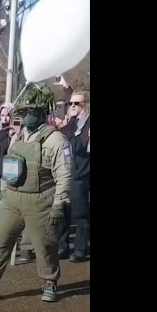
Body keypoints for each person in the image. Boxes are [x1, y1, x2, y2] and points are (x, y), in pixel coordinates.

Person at [0, 87, 72, 302]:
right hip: (13, 199)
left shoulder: (56, 140)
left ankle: (50, 281)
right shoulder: (17, 137)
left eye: (31, 111)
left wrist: (58, 203)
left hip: (41, 199)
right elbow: (10, 168)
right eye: (23, 110)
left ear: (42, 111)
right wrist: (3, 193)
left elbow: (64, 174)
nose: (26, 115)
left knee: (44, 244)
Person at [57, 92, 90, 262]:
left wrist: (74, 131)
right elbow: (61, 139)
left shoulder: (87, 124)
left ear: (85, 104)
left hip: (81, 174)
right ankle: (62, 246)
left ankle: (80, 249)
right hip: (66, 172)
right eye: (71, 103)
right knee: (63, 212)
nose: (72, 106)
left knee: (80, 213)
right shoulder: (71, 123)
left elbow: (82, 145)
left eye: (76, 103)